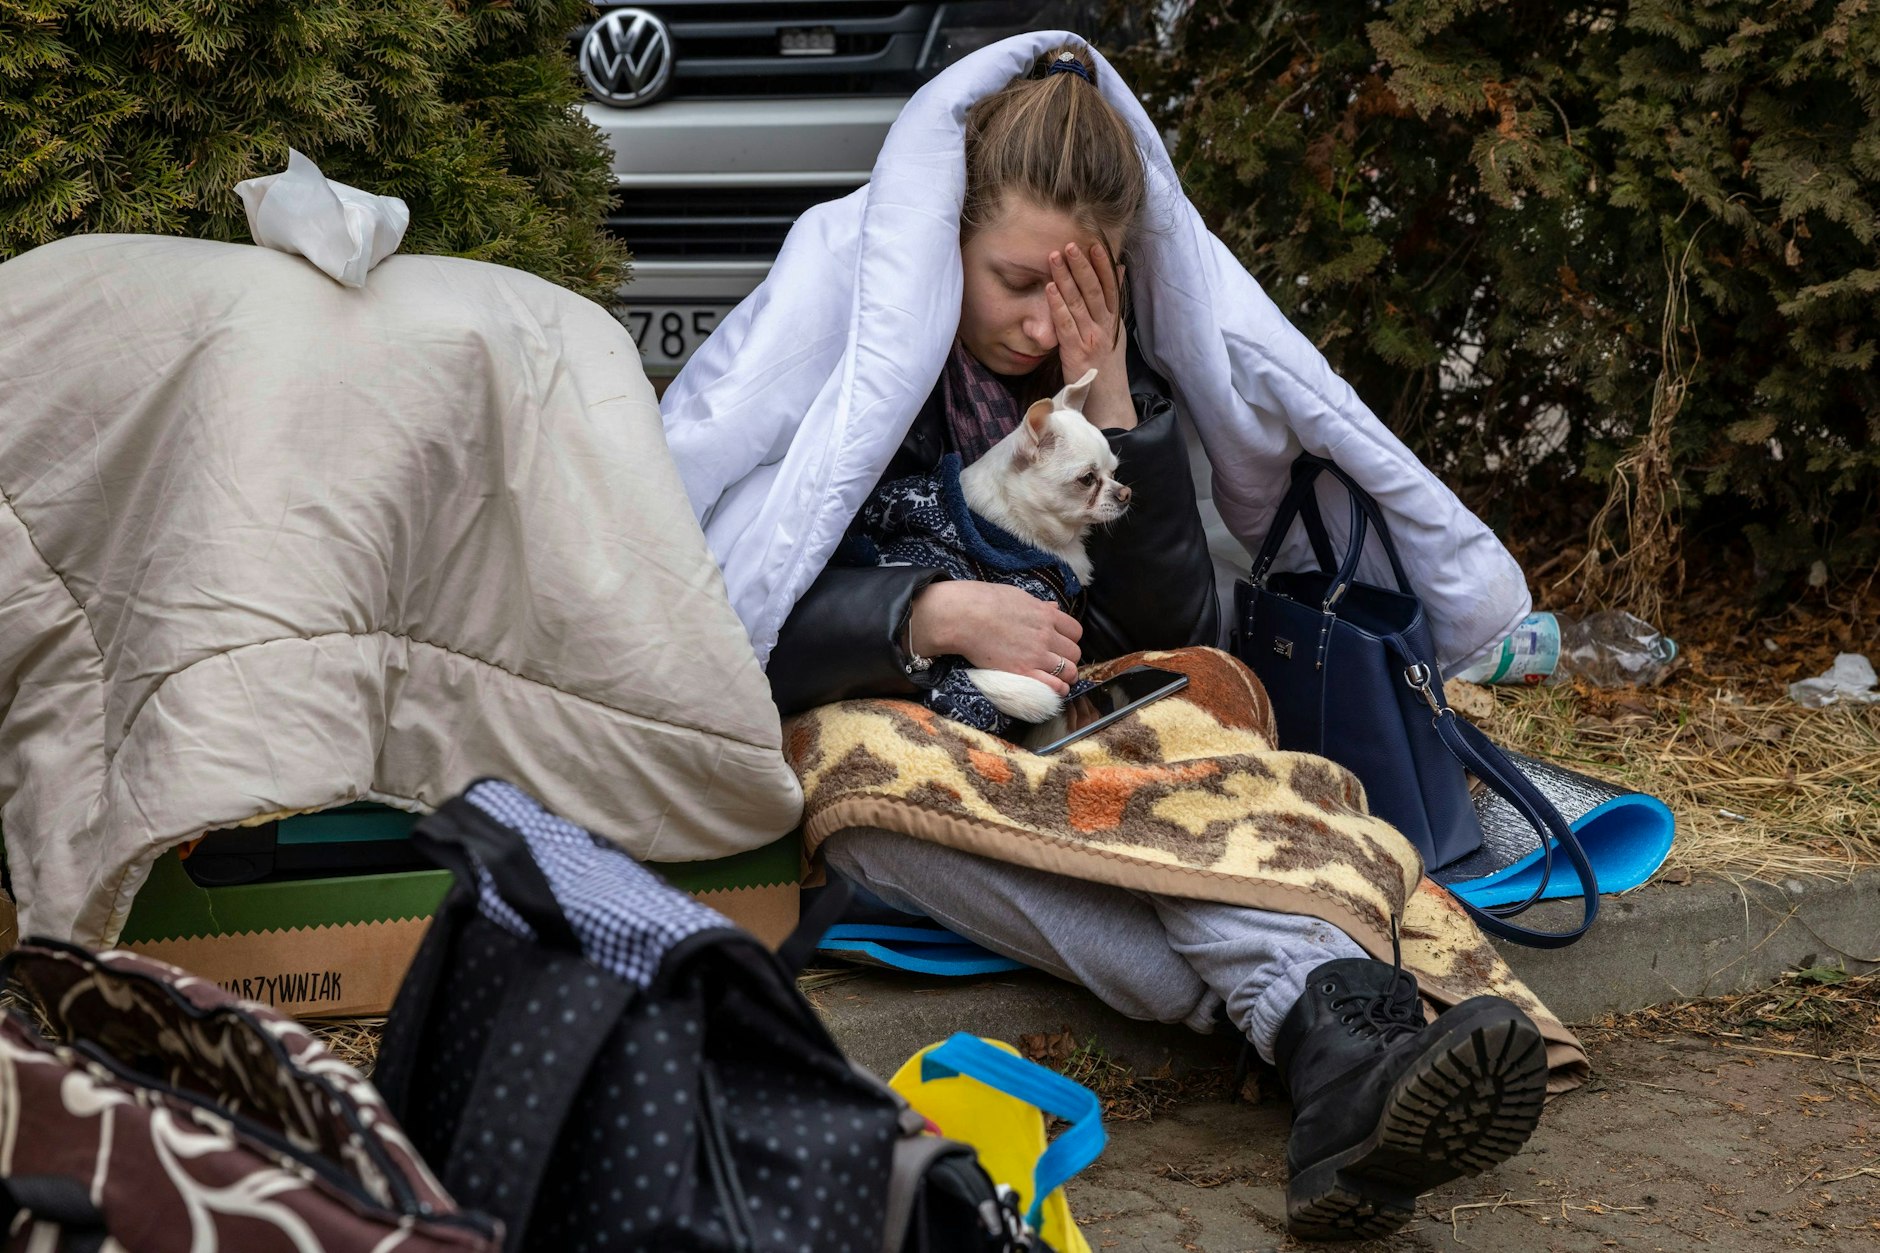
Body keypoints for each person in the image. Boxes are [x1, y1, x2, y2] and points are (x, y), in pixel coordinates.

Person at [765, 46, 1551, 1243]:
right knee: (891, 790)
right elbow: (738, 602)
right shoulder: (847, 324)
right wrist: (920, 612)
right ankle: (1331, 1022)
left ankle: (1331, 1056)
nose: (1040, 324)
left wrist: (1118, 406)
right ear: (944, 244)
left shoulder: (1087, 379)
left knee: (1195, 769)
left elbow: (1172, 634)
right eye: (1012, 280)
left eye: (1074, 291)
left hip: (1066, 730)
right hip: (874, 725)